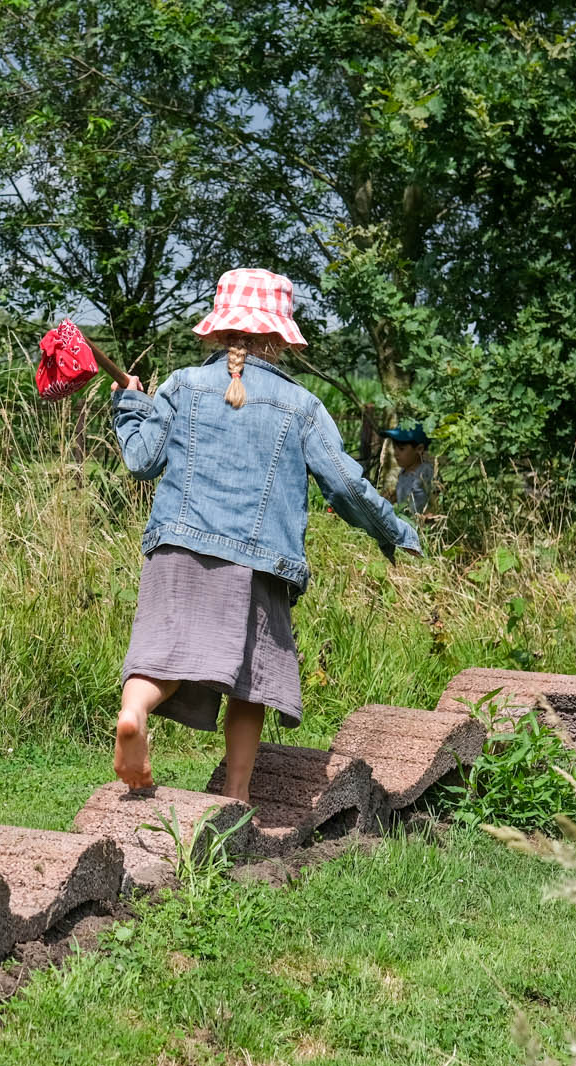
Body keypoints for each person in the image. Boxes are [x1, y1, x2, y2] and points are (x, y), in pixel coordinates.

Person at [108, 268, 422, 800]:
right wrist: (392, 530)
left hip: (176, 549)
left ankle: (134, 712)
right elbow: (345, 485)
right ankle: (236, 794)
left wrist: (132, 403)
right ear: (278, 338)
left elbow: (141, 460)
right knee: (248, 681)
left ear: (217, 329)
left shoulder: (181, 385)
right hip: (258, 563)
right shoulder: (302, 407)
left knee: (161, 654)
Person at [383, 423, 436, 514]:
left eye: (401, 449)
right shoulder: (403, 472)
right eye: (394, 448)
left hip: (421, 525)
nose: (396, 453)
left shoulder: (426, 472)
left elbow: (436, 500)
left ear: (419, 449)